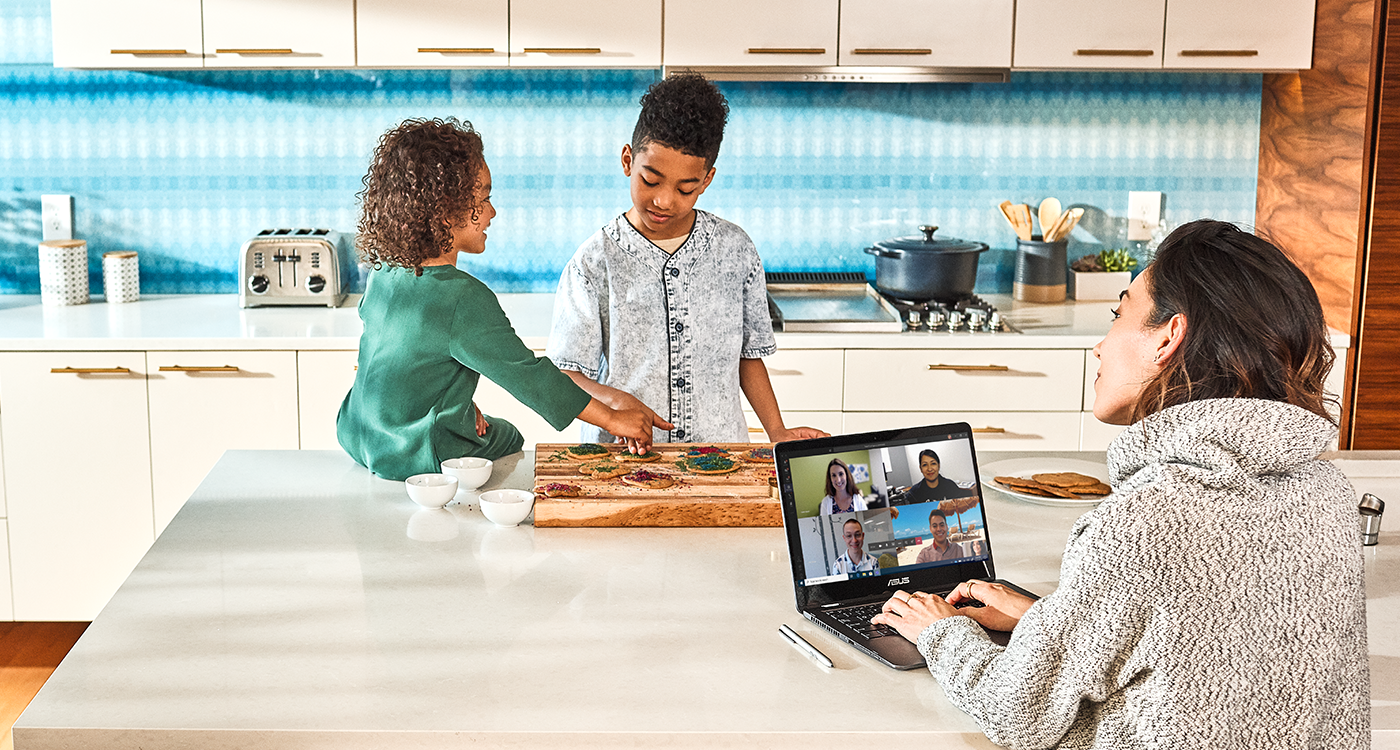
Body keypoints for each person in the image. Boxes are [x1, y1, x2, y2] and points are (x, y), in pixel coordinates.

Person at [873, 219, 1367, 748]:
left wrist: (941, 633)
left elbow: (1015, 711)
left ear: (1169, 337)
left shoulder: (1143, 523)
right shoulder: (1327, 491)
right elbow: (1211, 648)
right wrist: (1051, 623)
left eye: (1118, 314)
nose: (1100, 348)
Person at [336, 118, 669, 481]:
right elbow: (529, 377)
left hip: (357, 432)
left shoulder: (386, 272)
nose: (492, 213)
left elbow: (396, 360)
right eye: (485, 199)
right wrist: (614, 418)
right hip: (414, 452)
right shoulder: (462, 297)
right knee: (509, 435)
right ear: (445, 210)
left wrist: (452, 403)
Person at [546, 73, 827, 445]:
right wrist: (618, 403)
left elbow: (747, 357)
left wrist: (777, 430)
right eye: (651, 180)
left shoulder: (736, 250)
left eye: (685, 188)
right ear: (628, 160)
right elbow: (564, 375)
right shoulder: (593, 263)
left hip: (721, 456)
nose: (664, 200)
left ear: (707, 179)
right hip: (625, 463)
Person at [901, 449, 976, 504]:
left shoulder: (950, 486)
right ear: (920, 469)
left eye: (933, 463)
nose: (929, 469)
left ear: (938, 466)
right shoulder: (914, 493)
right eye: (925, 465)